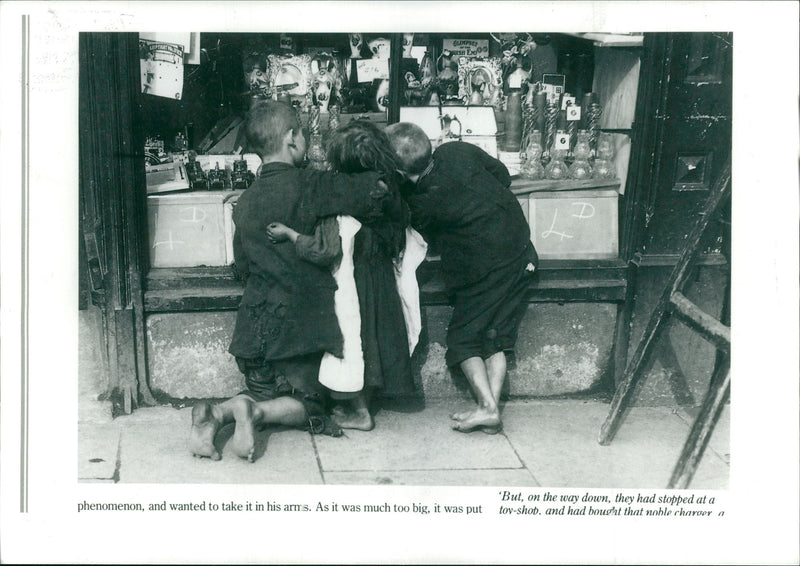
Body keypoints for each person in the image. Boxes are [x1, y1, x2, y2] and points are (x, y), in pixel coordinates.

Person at [189, 101, 391, 461]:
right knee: (311, 407)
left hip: (253, 335)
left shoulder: (245, 201)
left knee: (267, 394)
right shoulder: (311, 185)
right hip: (299, 333)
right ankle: (250, 412)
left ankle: (217, 414)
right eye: (301, 130)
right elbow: (375, 189)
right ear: (292, 138)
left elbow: (242, 266)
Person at [385, 123, 538, 434]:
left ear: (398, 174)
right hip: (522, 252)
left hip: (485, 269)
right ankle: (489, 409)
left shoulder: (422, 203)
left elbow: (427, 235)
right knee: (495, 335)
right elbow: (502, 176)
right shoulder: (457, 150)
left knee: (464, 340)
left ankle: (486, 408)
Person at [266, 120, 417, 431]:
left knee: (352, 343)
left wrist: (290, 234)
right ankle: (370, 400)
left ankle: (359, 411)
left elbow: (323, 250)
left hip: (351, 282)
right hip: (380, 280)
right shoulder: (388, 187)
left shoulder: (334, 195)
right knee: (376, 339)